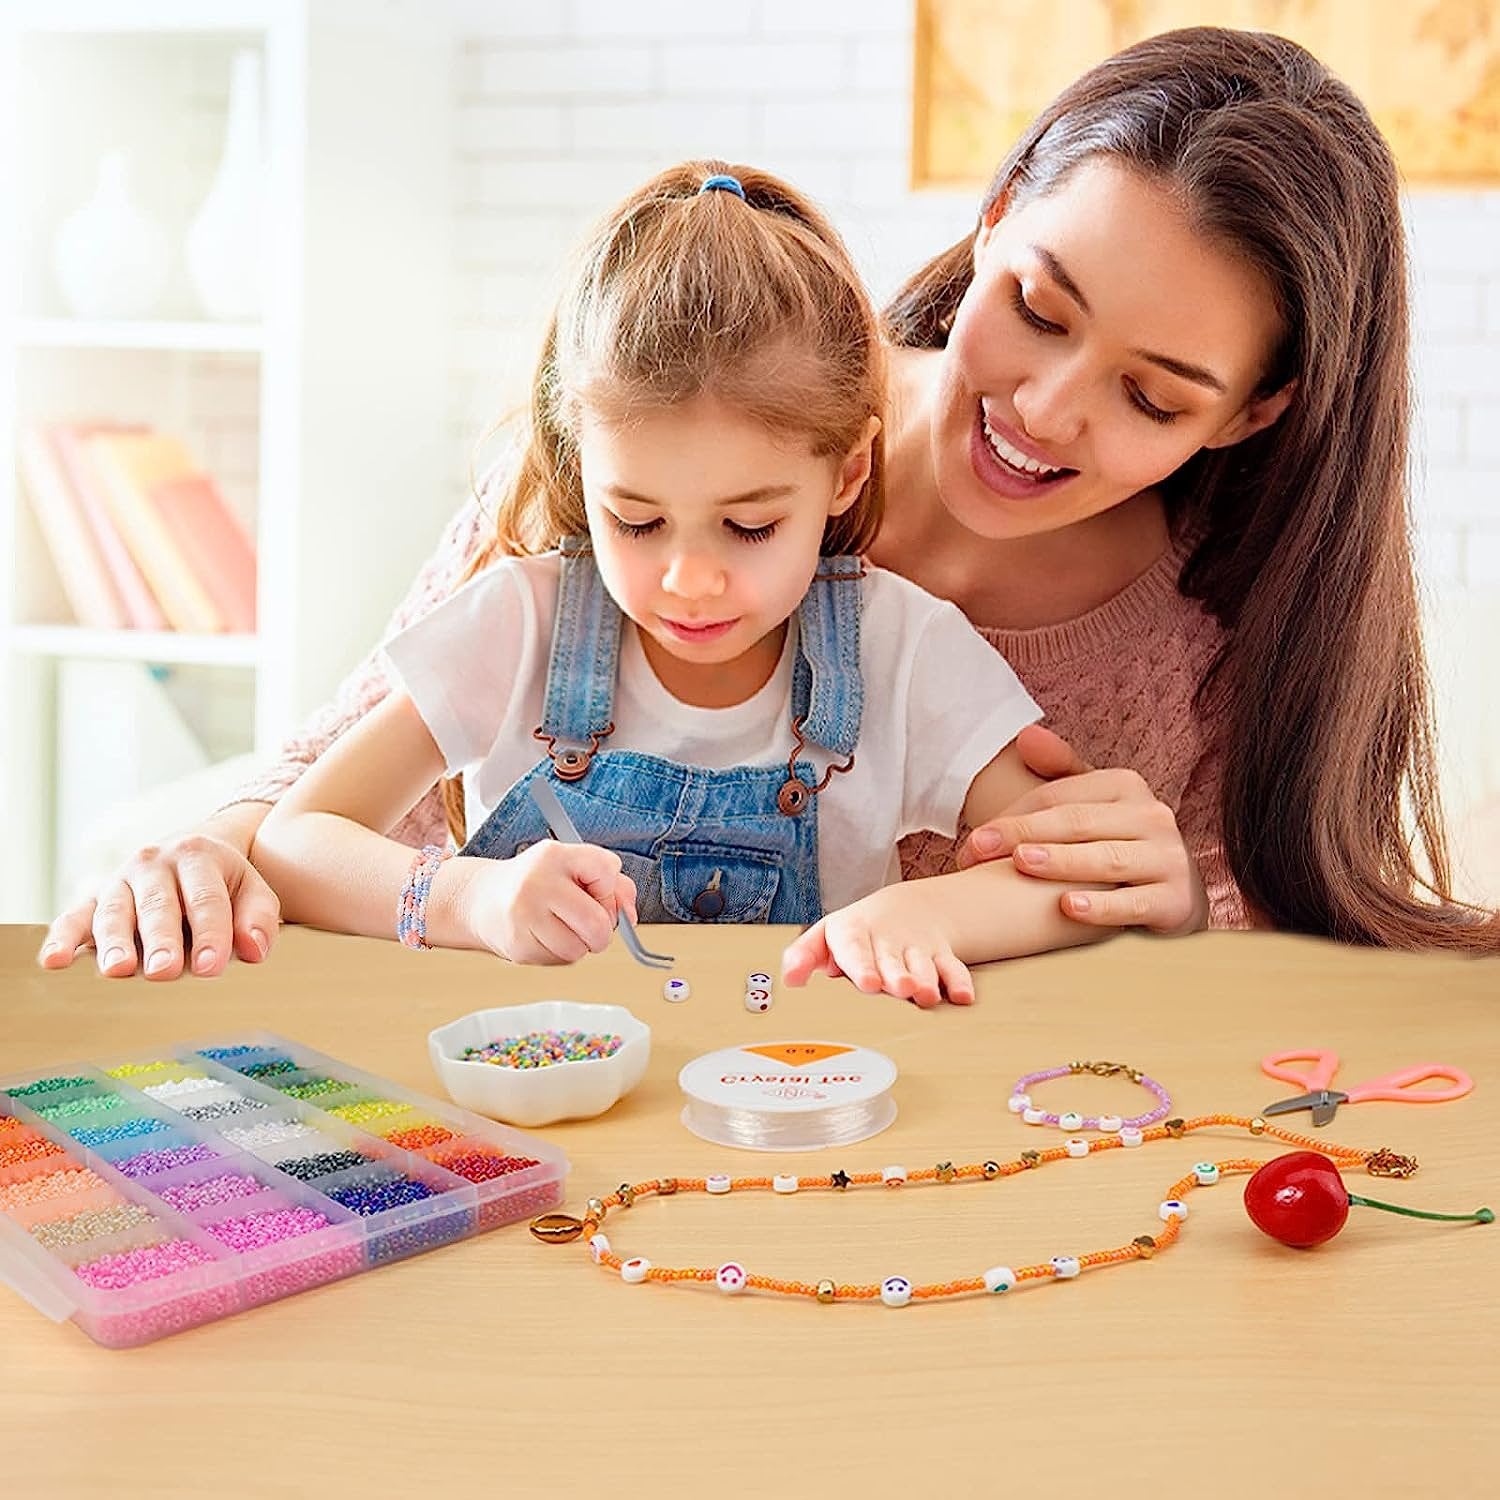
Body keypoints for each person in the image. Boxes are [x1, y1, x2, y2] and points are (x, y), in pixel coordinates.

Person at [40, 26, 1497, 982]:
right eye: (1038, 308)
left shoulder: (1208, 634)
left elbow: (1254, 975)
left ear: (1253, 413)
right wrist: (204, 847)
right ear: (990, 221)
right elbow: (328, 782)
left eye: (1153, 396)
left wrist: (1168, 903)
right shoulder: (698, 409)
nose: (1050, 410)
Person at [249, 164, 1112, 1007]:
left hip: (799, 1100)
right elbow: (295, 842)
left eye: (749, 527)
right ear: (582, 470)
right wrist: (468, 899)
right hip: (538, 1093)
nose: (689, 582)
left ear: (847, 475)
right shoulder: (521, 625)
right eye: (635, 520)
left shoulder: (900, 649)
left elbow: (1069, 877)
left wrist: (933, 911)